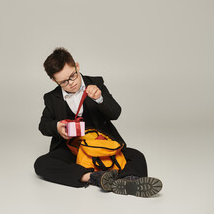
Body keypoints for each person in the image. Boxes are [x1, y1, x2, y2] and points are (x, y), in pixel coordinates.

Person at [34, 47, 162, 197]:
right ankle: (95, 177)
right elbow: (43, 125)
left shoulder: (96, 82)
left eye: (73, 75)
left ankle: (128, 182)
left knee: (137, 156)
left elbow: (116, 113)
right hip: (72, 150)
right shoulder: (51, 97)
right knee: (41, 164)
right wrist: (57, 127)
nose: (71, 83)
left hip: (101, 144)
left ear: (77, 66)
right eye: (64, 82)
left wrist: (99, 99)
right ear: (54, 80)